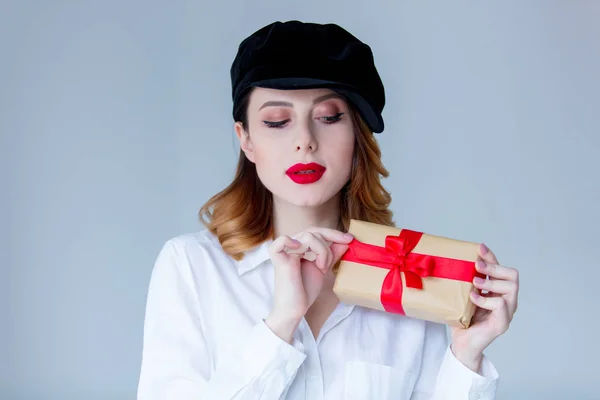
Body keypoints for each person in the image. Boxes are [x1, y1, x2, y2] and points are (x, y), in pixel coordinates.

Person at [136, 20, 519, 400]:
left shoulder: (409, 276)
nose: (305, 141)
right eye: (277, 121)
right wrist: (281, 323)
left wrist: (466, 357)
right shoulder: (191, 267)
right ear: (246, 140)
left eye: (329, 117)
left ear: (357, 135)